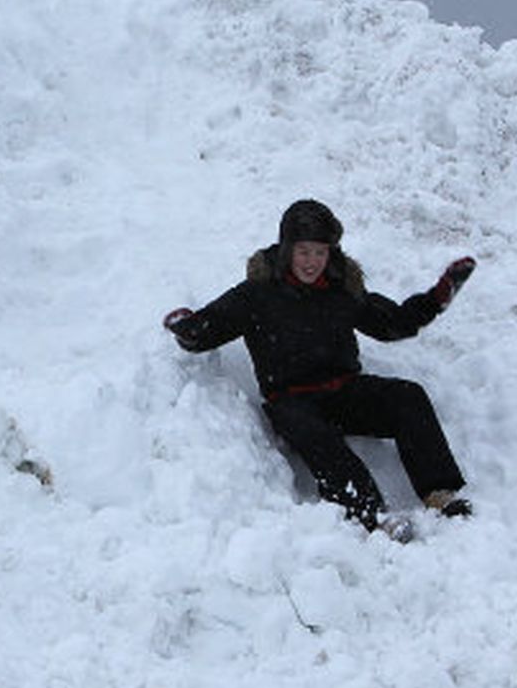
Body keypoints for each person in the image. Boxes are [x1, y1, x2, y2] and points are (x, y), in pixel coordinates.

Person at [162, 198, 476, 536]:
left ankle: (438, 493)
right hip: (290, 399)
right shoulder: (258, 293)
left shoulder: (342, 289)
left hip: (342, 390)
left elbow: (392, 324)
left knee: (407, 397)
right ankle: (370, 515)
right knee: (316, 434)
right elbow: (214, 325)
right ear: (286, 250)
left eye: (320, 252)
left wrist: (438, 297)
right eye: (304, 252)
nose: (312, 262)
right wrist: (189, 331)